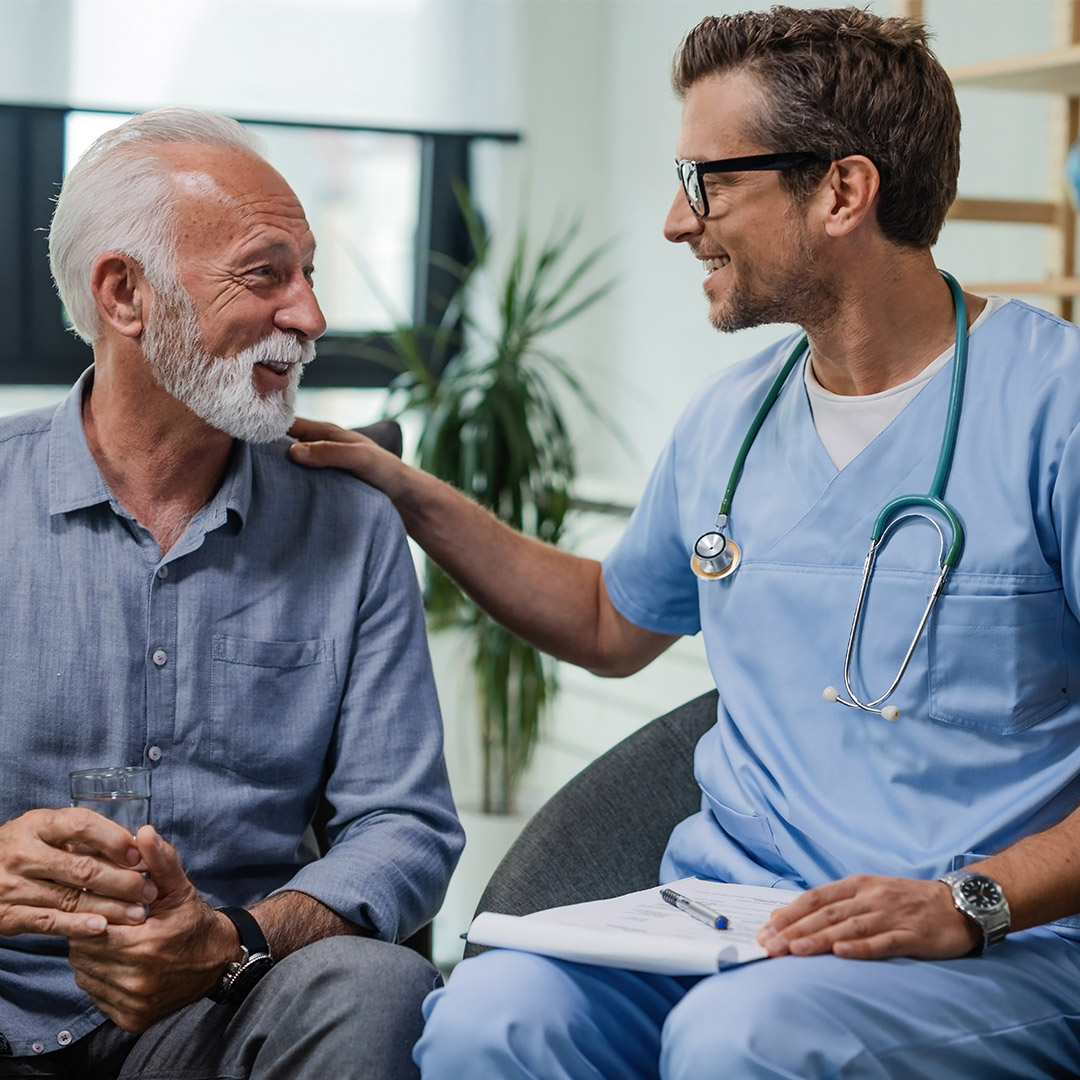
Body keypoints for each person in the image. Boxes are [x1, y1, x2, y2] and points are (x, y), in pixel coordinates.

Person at [288, 6, 1080, 1078]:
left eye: (709, 180)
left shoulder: (1053, 408)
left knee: (743, 1040)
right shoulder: (734, 417)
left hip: (989, 943)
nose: (676, 219)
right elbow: (613, 620)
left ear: (843, 190)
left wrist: (970, 902)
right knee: (489, 1015)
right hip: (729, 915)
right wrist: (408, 491)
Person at [0, 107, 463, 1079]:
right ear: (124, 295)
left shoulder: (351, 522)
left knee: (381, 993)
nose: (311, 317)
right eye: (266, 275)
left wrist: (232, 939)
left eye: (310, 273)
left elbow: (404, 823)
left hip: (219, 1005)